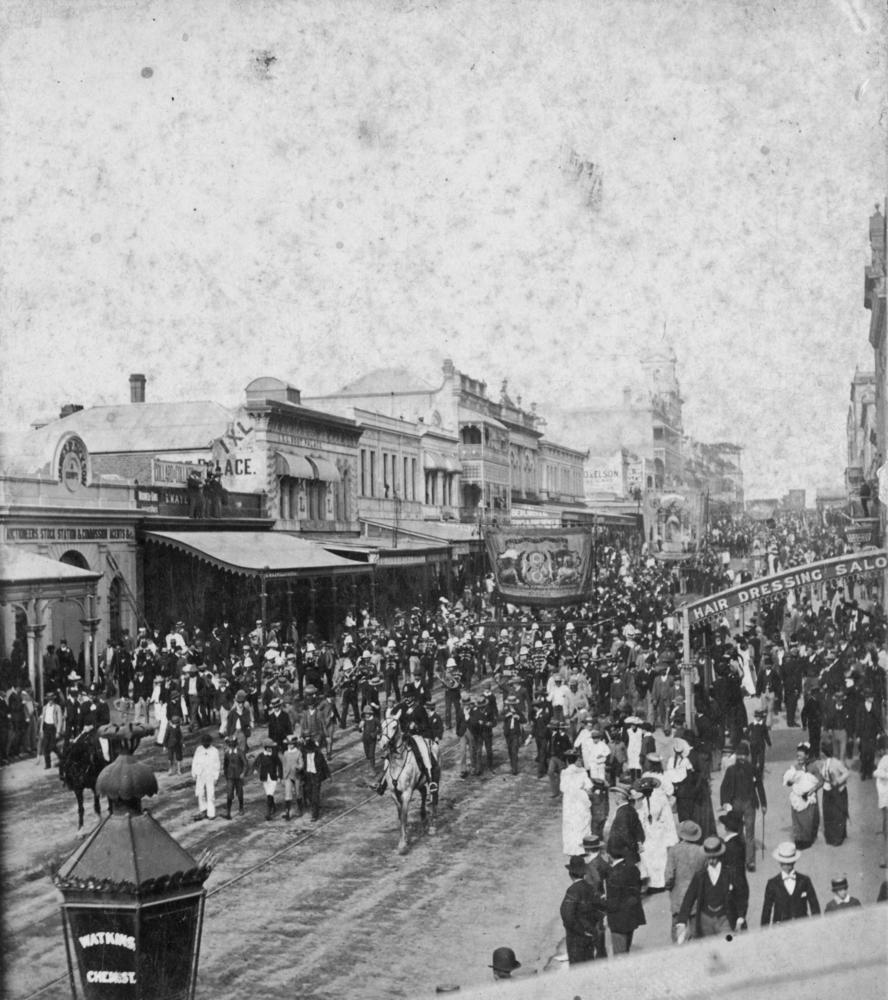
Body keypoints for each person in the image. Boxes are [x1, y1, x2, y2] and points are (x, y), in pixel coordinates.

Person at [675, 836, 745, 941]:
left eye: (714, 857)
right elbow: (689, 898)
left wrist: (740, 918)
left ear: (720, 855)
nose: (712, 860)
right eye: (709, 857)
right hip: (705, 920)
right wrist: (681, 922)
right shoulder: (700, 875)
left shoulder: (730, 873)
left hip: (724, 918)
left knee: (727, 944)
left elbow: (740, 896)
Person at [719, 740, 766, 871]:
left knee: (748, 832)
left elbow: (759, 786)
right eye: (740, 755)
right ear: (736, 756)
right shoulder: (731, 770)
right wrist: (724, 802)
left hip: (749, 803)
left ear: (748, 756)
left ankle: (749, 861)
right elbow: (724, 787)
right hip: (735, 803)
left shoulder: (753, 769)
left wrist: (763, 804)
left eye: (744, 755)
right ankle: (741, 858)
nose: (742, 758)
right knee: (738, 831)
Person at [560, 855, 607, 965]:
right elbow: (600, 906)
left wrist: (581, 931)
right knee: (589, 962)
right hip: (590, 933)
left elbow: (567, 916)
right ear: (585, 873)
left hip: (576, 938)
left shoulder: (572, 891)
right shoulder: (589, 888)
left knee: (577, 965)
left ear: (570, 874)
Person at [761, 841, 821, 925]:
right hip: (780, 927)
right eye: (784, 863)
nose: (786, 866)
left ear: (794, 861)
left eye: (789, 863)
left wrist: (817, 925)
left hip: (802, 925)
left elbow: (814, 906)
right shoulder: (772, 883)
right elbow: (766, 910)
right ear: (779, 862)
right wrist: (764, 932)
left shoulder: (804, 880)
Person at [664, 820, 706, 943]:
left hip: (678, 895)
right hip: (696, 896)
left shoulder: (673, 851)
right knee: (695, 929)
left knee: (677, 928)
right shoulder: (700, 851)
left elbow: (669, 875)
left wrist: (669, 887)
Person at [635, 775, 677, 891]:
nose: (647, 792)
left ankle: (661, 883)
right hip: (646, 832)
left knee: (660, 856)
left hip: (659, 832)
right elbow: (638, 815)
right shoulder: (640, 800)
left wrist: (671, 838)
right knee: (648, 856)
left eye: (649, 790)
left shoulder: (661, 799)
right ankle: (652, 883)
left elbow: (668, 817)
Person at [603, 844, 646, 955]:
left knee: (620, 954)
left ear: (610, 856)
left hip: (618, 919)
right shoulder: (633, 868)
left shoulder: (612, 874)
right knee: (626, 948)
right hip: (632, 916)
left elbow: (613, 901)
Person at [783, 743, 822, 850]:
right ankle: (799, 839)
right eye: (797, 756)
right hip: (797, 797)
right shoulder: (795, 767)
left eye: (801, 756)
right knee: (797, 820)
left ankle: (806, 839)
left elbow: (820, 781)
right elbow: (789, 783)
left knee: (808, 820)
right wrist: (790, 781)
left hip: (808, 797)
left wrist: (812, 790)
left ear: (807, 756)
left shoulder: (812, 767)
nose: (798, 758)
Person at [560, 748, 593, 856]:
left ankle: (571, 848)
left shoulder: (565, 772)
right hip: (581, 798)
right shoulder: (582, 771)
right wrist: (583, 789)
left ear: (567, 761)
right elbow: (589, 786)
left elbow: (562, 788)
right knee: (582, 821)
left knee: (570, 822)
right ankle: (582, 848)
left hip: (570, 800)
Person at [818, 740, 850, 846]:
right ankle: (830, 837)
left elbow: (846, 772)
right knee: (828, 814)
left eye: (822, 751)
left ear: (825, 752)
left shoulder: (836, 762)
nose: (820, 753)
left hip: (837, 791)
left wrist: (838, 781)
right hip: (827, 791)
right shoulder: (824, 763)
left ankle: (838, 837)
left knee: (837, 814)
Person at [190, 732, 221, 821]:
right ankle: (203, 810)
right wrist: (194, 773)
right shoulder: (199, 749)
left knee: (210, 794)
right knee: (200, 793)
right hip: (200, 774)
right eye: (204, 743)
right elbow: (194, 761)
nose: (205, 744)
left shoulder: (214, 751)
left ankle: (211, 813)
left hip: (210, 775)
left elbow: (217, 764)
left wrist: (216, 777)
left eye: (207, 743)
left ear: (210, 742)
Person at [302, 734, 330, 821]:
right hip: (307, 776)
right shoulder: (304, 754)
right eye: (308, 750)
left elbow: (324, 765)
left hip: (316, 776)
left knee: (315, 795)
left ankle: (315, 814)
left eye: (311, 750)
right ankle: (314, 805)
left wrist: (328, 776)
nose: (309, 752)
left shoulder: (319, 755)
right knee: (308, 793)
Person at [255, 740, 283, 820]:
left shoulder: (274, 755)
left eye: (271, 748)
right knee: (269, 794)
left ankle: (268, 813)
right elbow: (256, 764)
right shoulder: (261, 755)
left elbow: (280, 765)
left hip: (273, 777)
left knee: (270, 794)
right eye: (269, 748)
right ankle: (273, 807)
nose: (270, 749)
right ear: (266, 748)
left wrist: (280, 776)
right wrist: (258, 771)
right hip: (264, 777)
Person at [221, 735, 248, 819]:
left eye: (232, 744)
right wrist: (225, 774)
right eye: (230, 744)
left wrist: (243, 773)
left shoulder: (240, 752)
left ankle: (241, 807)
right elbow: (225, 765)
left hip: (238, 776)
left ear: (235, 744)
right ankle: (228, 812)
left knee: (239, 792)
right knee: (229, 793)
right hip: (230, 776)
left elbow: (245, 764)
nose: (231, 746)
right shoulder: (227, 753)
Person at [281, 734, 304, 820]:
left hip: (296, 775)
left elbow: (301, 763)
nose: (289, 745)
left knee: (298, 793)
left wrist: (298, 767)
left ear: (295, 744)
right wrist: (283, 777)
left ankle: (300, 809)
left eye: (291, 744)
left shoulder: (298, 753)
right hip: (288, 776)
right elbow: (284, 765)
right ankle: (288, 812)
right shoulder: (286, 753)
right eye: (288, 744)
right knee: (288, 794)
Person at [40, 692, 64, 769]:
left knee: (53, 746)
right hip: (46, 727)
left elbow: (60, 720)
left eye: (51, 699)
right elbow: (43, 719)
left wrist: (58, 731)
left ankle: (62, 759)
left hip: (54, 727)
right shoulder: (44, 707)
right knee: (45, 746)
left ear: (53, 699)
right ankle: (48, 764)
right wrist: (41, 729)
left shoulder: (57, 707)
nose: (50, 701)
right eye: (49, 699)